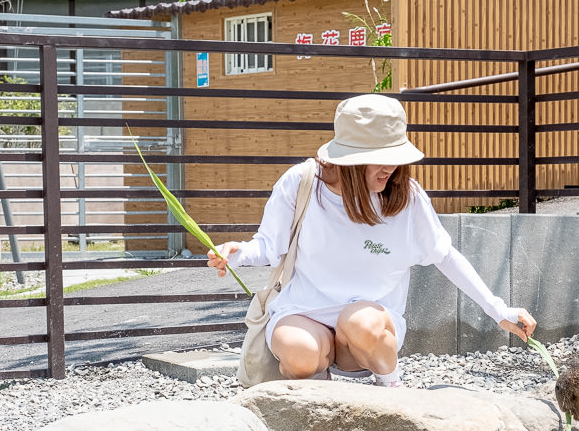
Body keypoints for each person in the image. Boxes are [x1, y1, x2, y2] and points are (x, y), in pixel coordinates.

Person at [208, 94, 536, 387]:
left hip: (369, 329)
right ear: (350, 161)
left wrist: (498, 311)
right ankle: (318, 404)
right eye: (381, 157)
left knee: (361, 321)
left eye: (395, 155)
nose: (391, 167)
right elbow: (267, 245)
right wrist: (235, 254)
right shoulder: (302, 182)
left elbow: (445, 255)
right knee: (298, 351)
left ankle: (391, 389)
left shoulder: (407, 197)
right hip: (305, 312)